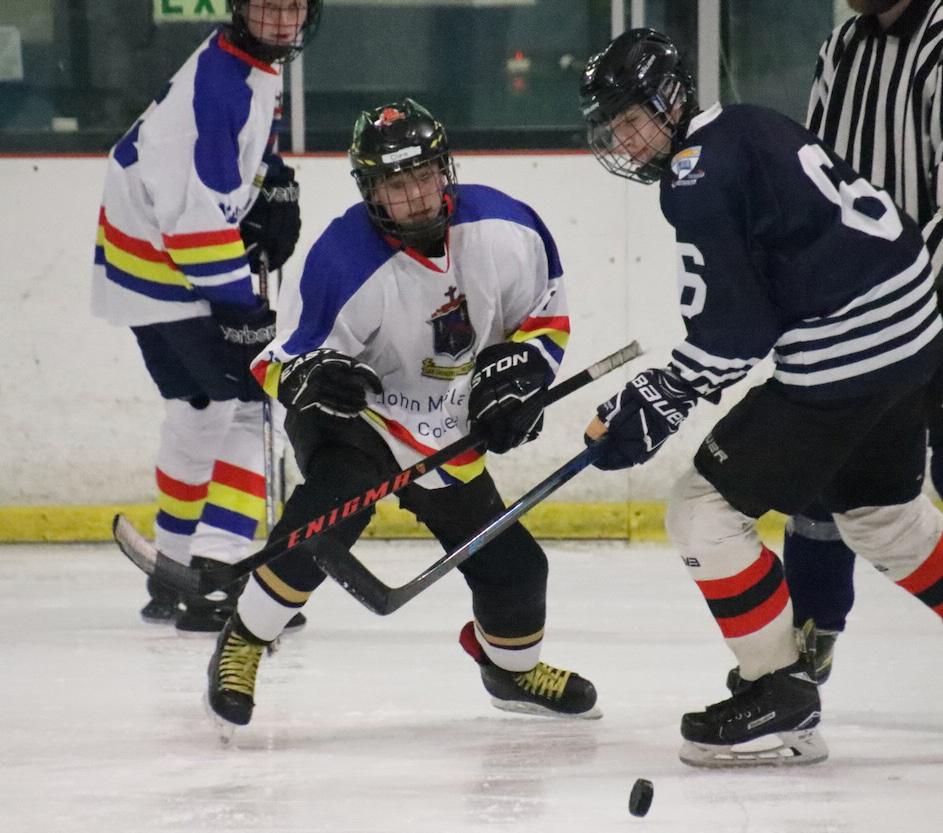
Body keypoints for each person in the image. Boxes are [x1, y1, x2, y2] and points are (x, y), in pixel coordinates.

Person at [579, 28, 943, 767]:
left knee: (702, 511)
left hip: (852, 349)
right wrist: (667, 392)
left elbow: (736, 331)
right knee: (882, 517)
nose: (625, 140)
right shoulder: (745, 125)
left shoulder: (694, 176)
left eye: (634, 118)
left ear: (670, 99)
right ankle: (781, 685)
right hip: (915, 335)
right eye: (613, 127)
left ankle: (779, 695)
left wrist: (657, 398)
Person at [204, 98, 600, 734]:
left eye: (423, 175)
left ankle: (510, 671)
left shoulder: (506, 229)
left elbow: (544, 318)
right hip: (356, 415)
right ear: (371, 192)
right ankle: (245, 639)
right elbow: (281, 361)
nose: (415, 196)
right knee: (334, 510)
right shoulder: (342, 259)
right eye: (395, 183)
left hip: (446, 420)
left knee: (517, 569)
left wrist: (518, 382)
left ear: (445, 169)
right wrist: (315, 378)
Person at [91, 0, 320, 634]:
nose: (282, 22)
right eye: (268, 7)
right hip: (172, 267)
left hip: (143, 265)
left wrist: (272, 179)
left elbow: (242, 151)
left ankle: (171, 570)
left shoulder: (248, 64)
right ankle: (219, 577)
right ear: (241, 8)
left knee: (199, 410)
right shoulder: (219, 87)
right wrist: (240, 307)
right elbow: (193, 223)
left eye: (293, 7)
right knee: (252, 404)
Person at [756, 0, 943, 690]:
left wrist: (886, 290)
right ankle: (810, 631)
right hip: (863, 308)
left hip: (926, 300)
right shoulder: (841, 47)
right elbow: (819, 177)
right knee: (822, 470)